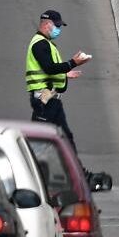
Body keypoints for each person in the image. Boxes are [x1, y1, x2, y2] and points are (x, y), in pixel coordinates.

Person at [26, 8, 90, 146]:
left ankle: (73, 162)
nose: (59, 29)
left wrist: (65, 73)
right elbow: (49, 68)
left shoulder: (46, 43)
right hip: (44, 99)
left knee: (65, 138)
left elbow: (48, 68)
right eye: (57, 25)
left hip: (51, 99)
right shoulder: (39, 44)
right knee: (40, 141)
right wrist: (72, 63)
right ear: (47, 24)